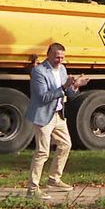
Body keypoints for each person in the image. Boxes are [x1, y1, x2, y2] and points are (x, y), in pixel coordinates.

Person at [24, 43, 87, 200]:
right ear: (48, 55)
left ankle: (54, 179)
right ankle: (32, 189)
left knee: (65, 145)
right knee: (42, 152)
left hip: (58, 114)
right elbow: (43, 97)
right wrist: (65, 87)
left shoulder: (62, 69)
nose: (60, 60)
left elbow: (69, 94)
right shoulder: (39, 71)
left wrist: (76, 86)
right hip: (43, 115)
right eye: (57, 57)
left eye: (62, 57)